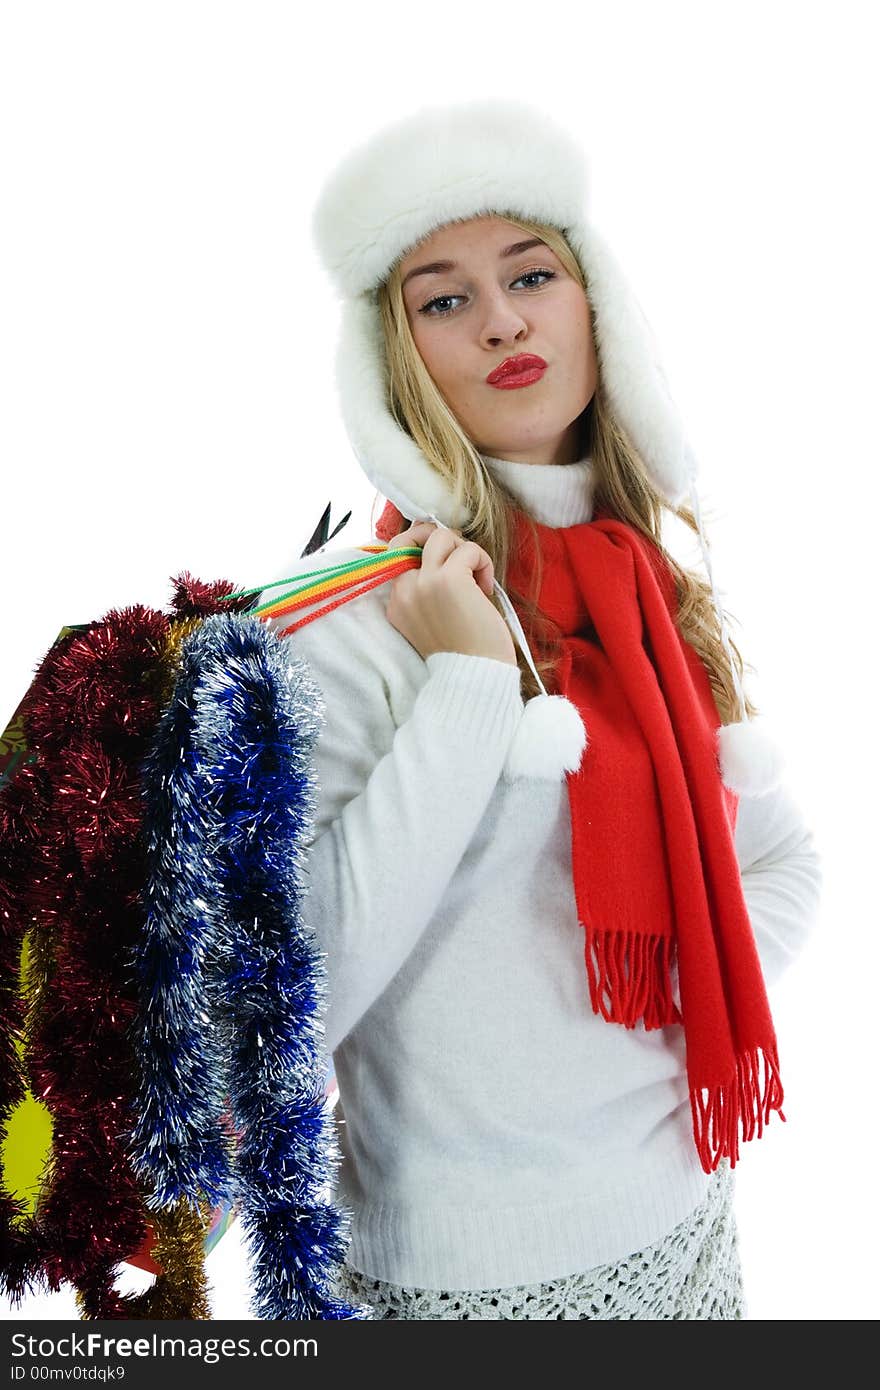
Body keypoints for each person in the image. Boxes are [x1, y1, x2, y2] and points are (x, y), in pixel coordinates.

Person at [255, 100, 823, 1319]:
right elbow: (292, 998)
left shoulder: (648, 591)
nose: (504, 318)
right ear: (391, 361)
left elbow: (780, 862)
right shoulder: (357, 632)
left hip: (691, 1224)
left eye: (531, 273)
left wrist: (655, 1028)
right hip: (466, 1279)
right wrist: (464, 687)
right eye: (443, 298)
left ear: (594, 304)